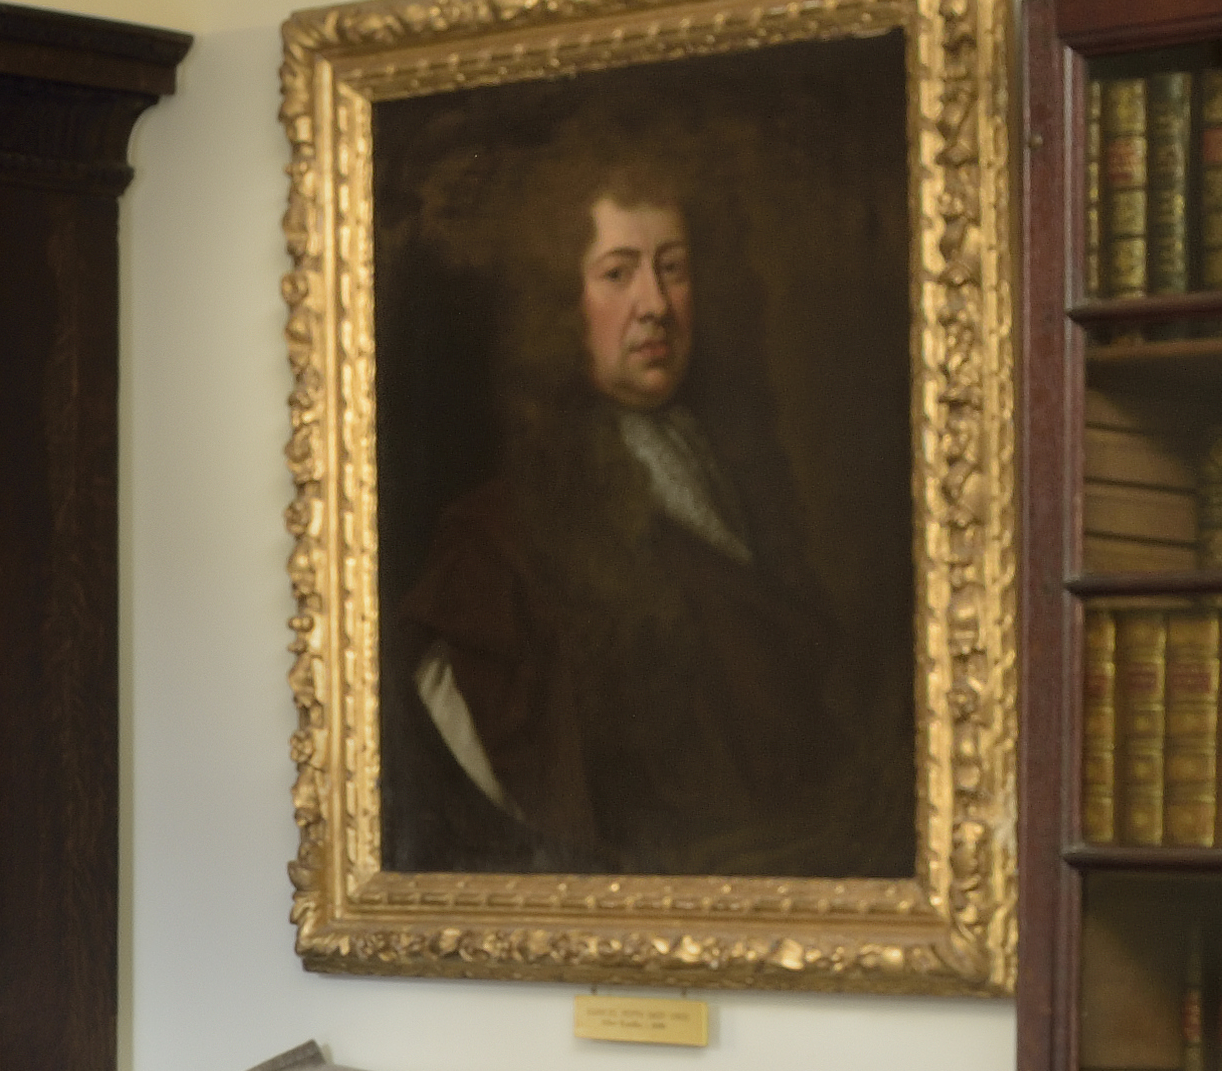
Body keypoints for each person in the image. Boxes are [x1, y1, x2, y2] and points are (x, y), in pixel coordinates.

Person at [389, 119, 912, 882]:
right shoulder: (494, 543)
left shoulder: (734, 470)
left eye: (673, 268)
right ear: (562, 304)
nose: (656, 304)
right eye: (618, 273)